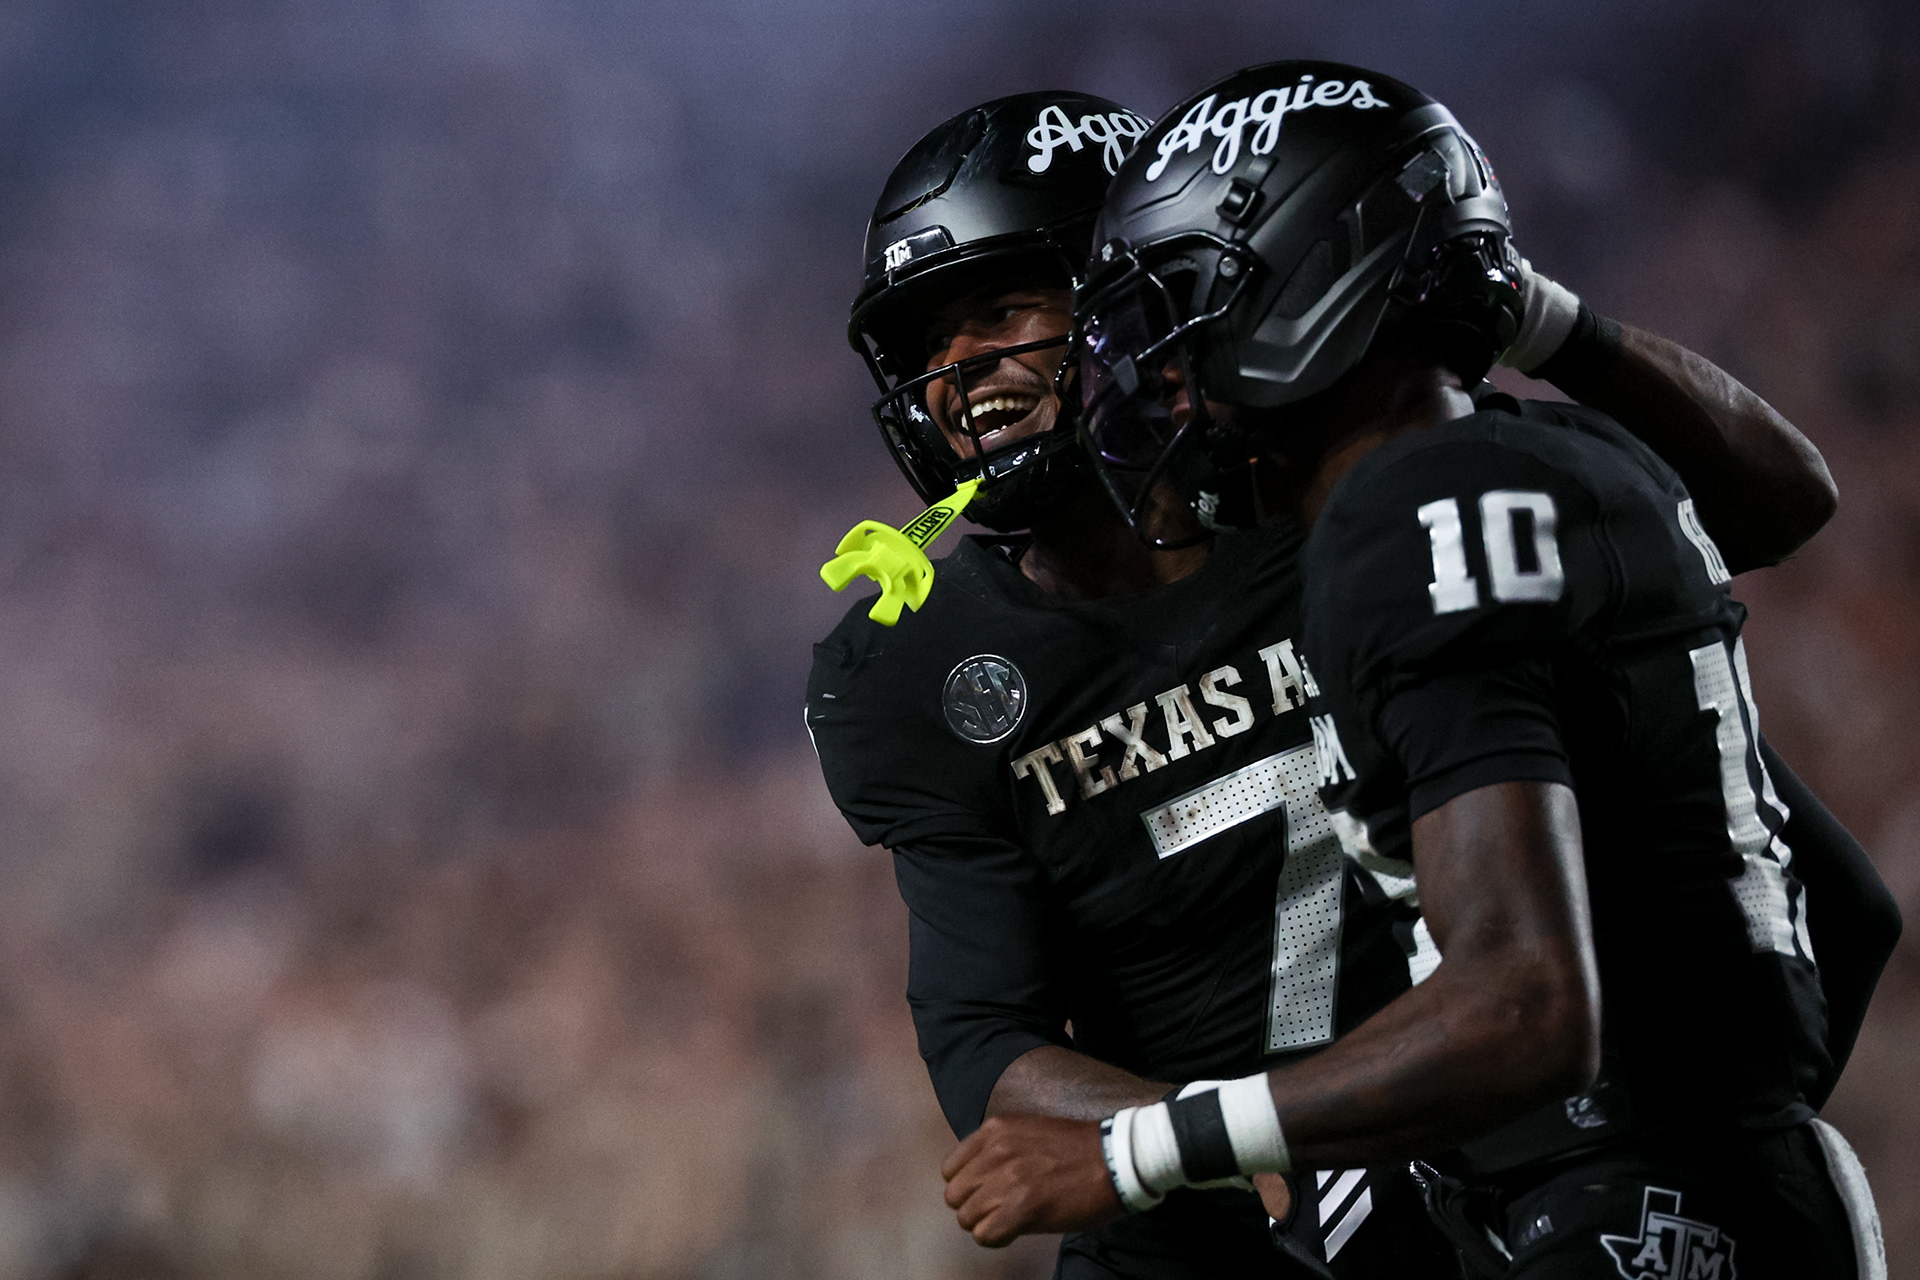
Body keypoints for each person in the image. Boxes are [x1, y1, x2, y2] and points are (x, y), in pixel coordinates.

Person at [815, 84, 1893, 1279]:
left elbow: (1772, 534)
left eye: (1000, 309)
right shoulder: (923, 670)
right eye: (926, 346)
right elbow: (986, 1044)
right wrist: (1245, 1155)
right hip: (1218, 1237)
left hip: (1488, 1171)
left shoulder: (1364, 490)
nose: (959, 373)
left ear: (1138, 287)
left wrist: (1668, 1152)